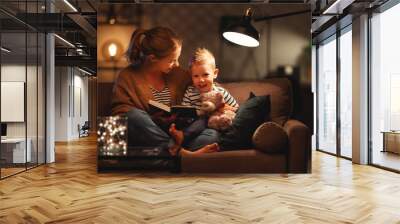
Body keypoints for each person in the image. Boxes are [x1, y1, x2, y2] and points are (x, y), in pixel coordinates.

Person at [111, 27, 219, 156]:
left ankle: (169, 155)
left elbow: (205, 88)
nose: (177, 64)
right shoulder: (127, 76)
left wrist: (219, 105)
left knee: (212, 135)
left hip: (178, 134)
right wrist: (154, 119)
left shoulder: (179, 75)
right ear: (153, 58)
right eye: (172, 60)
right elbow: (120, 116)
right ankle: (181, 154)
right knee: (133, 116)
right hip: (150, 135)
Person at [171, 48, 239, 148]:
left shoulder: (221, 92)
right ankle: (182, 140)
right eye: (196, 76)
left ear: (215, 73)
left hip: (212, 128)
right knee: (199, 121)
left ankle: (183, 146)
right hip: (193, 127)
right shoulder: (190, 92)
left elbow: (237, 109)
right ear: (191, 77)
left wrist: (222, 108)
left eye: (205, 75)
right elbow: (185, 111)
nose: (201, 80)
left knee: (213, 136)